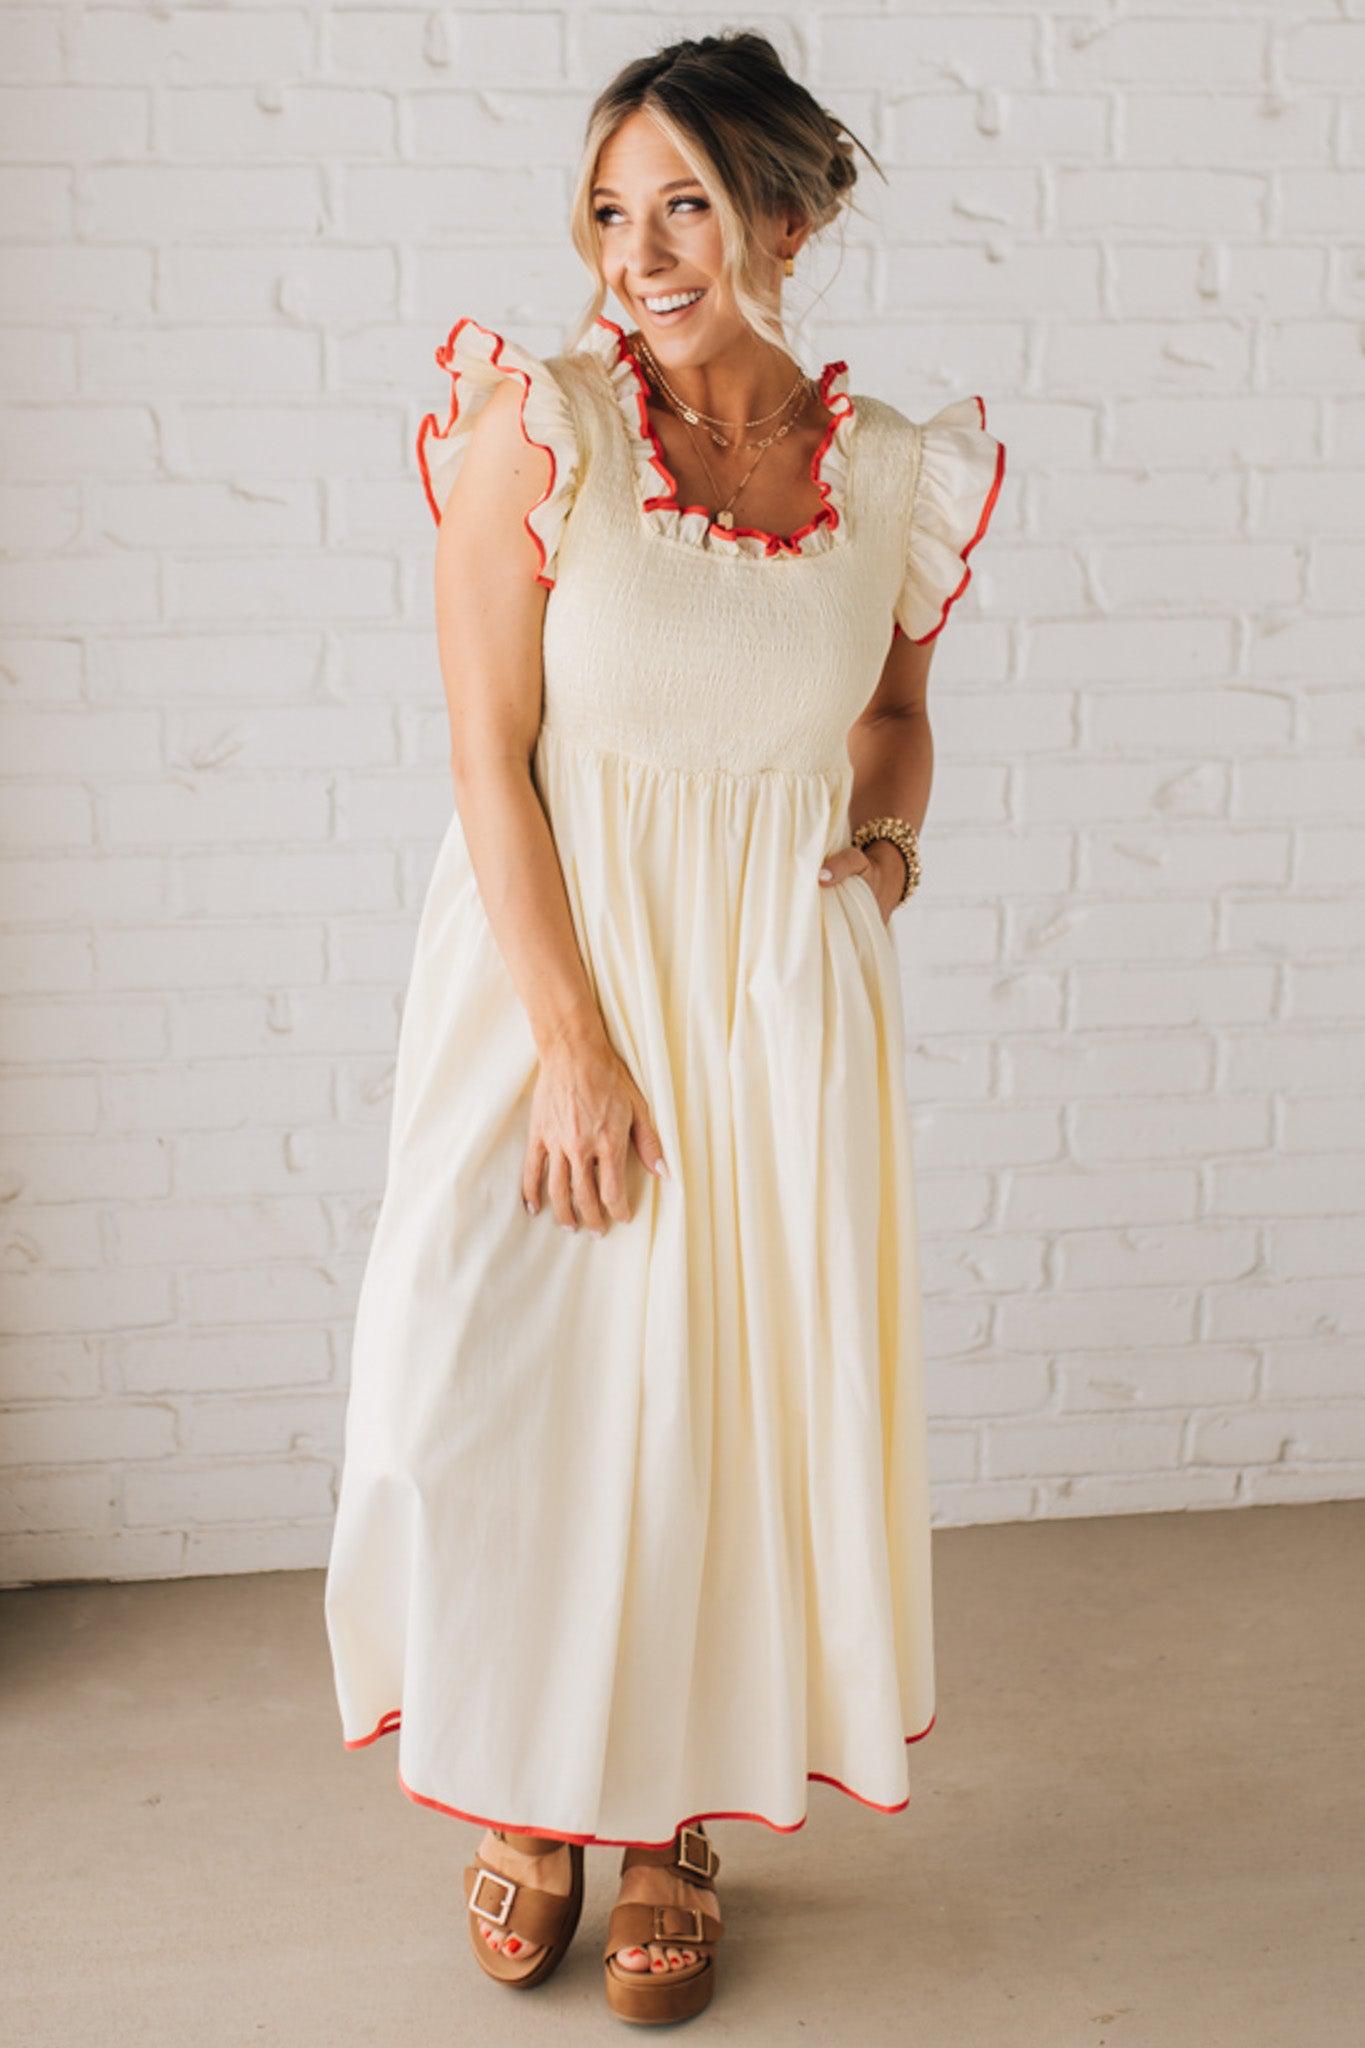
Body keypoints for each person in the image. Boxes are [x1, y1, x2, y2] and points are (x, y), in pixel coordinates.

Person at [323, 29, 1006, 2028]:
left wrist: (877, 850)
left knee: (709, 1417)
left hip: (777, 998)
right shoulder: (531, 421)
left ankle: (661, 1822)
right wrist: (574, 1044)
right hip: (553, 976)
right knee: (478, 1387)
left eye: (685, 202)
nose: (640, 246)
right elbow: (484, 750)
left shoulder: (884, 468)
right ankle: (523, 1792)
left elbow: (887, 711)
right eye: (611, 208)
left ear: (790, 213)